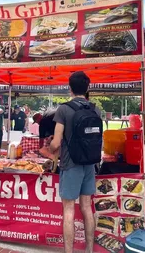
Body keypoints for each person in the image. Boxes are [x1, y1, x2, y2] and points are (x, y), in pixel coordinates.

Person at [50, 71, 100, 253]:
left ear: (69, 88)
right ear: (88, 88)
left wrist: (50, 149)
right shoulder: (95, 109)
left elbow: (56, 142)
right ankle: (89, 249)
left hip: (70, 164)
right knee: (87, 207)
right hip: (89, 164)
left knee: (69, 210)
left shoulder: (63, 109)